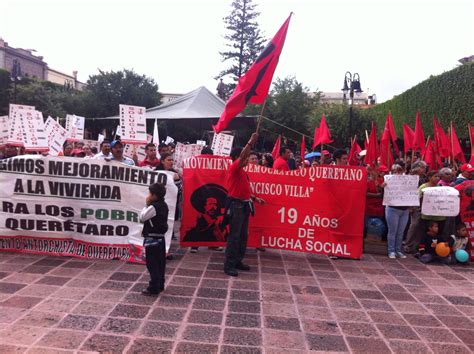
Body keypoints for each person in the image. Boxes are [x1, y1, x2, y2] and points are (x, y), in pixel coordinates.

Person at [224, 133, 264, 277]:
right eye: (246, 157)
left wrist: (254, 198)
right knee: (234, 236)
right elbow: (242, 157)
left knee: (243, 236)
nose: (248, 160)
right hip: (236, 206)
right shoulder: (235, 168)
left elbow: (242, 189)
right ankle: (229, 265)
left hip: (244, 205)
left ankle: (237, 261)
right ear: (237, 158)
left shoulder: (242, 172)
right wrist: (250, 142)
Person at [139, 183, 169, 296]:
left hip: (152, 238)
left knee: (153, 264)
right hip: (161, 238)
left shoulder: (153, 207)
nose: (148, 195)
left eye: (150, 194)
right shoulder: (164, 205)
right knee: (160, 263)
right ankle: (160, 284)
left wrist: (146, 204)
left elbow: (142, 217)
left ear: (154, 195)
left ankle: (153, 287)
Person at [384, 164, 410, 259]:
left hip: (404, 210)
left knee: (400, 232)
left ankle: (398, 250)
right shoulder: (388, 180)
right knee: (392, 231)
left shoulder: (408, 180)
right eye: (395, 171)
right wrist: (383, 186)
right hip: (392, 209)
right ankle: (391, 251)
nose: (398, 173)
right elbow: (380, 190)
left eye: (400, 170)